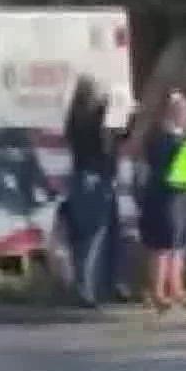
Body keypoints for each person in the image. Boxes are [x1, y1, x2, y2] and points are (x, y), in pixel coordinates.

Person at [62, 75, 117, 308]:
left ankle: (87, 285)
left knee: (85, 235)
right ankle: (87, 288)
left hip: (83, 177)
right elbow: (101, 139)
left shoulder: (74, 118)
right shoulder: (90, 118)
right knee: (93, 235)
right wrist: (109, 106)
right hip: (93, 178)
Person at [136, 89, 186, 311]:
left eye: (183, 109)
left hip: (182, 196)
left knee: (180, 242)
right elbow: (160, 164)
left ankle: (176, 287)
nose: (182, 113)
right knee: (162, 244)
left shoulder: (184, 135)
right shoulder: (158, 135)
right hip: (162, 194)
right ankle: (157, 290)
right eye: (177, 109)